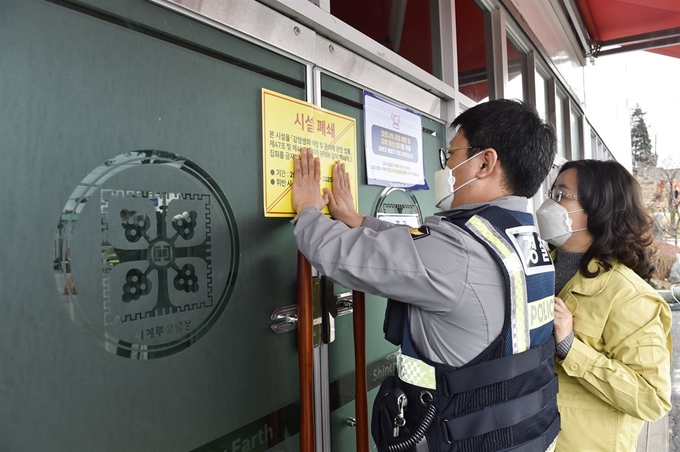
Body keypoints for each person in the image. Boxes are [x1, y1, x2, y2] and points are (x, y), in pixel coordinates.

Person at [292, 99, 559, 452]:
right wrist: (360, 221)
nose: (447, 165)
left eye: (451, 154)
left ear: (484, 162)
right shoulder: (524, 238)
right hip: (524, 435)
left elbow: (342, 256)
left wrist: (308, 211)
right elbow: (417, 248)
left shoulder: (459, 247)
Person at [535, 160, 672, 452]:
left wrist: (571, 348)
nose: (549, 203)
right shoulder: (538, 270)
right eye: (552, 193)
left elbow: (653, 398)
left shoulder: (630, 296)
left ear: (599, 210)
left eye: (561, 195)